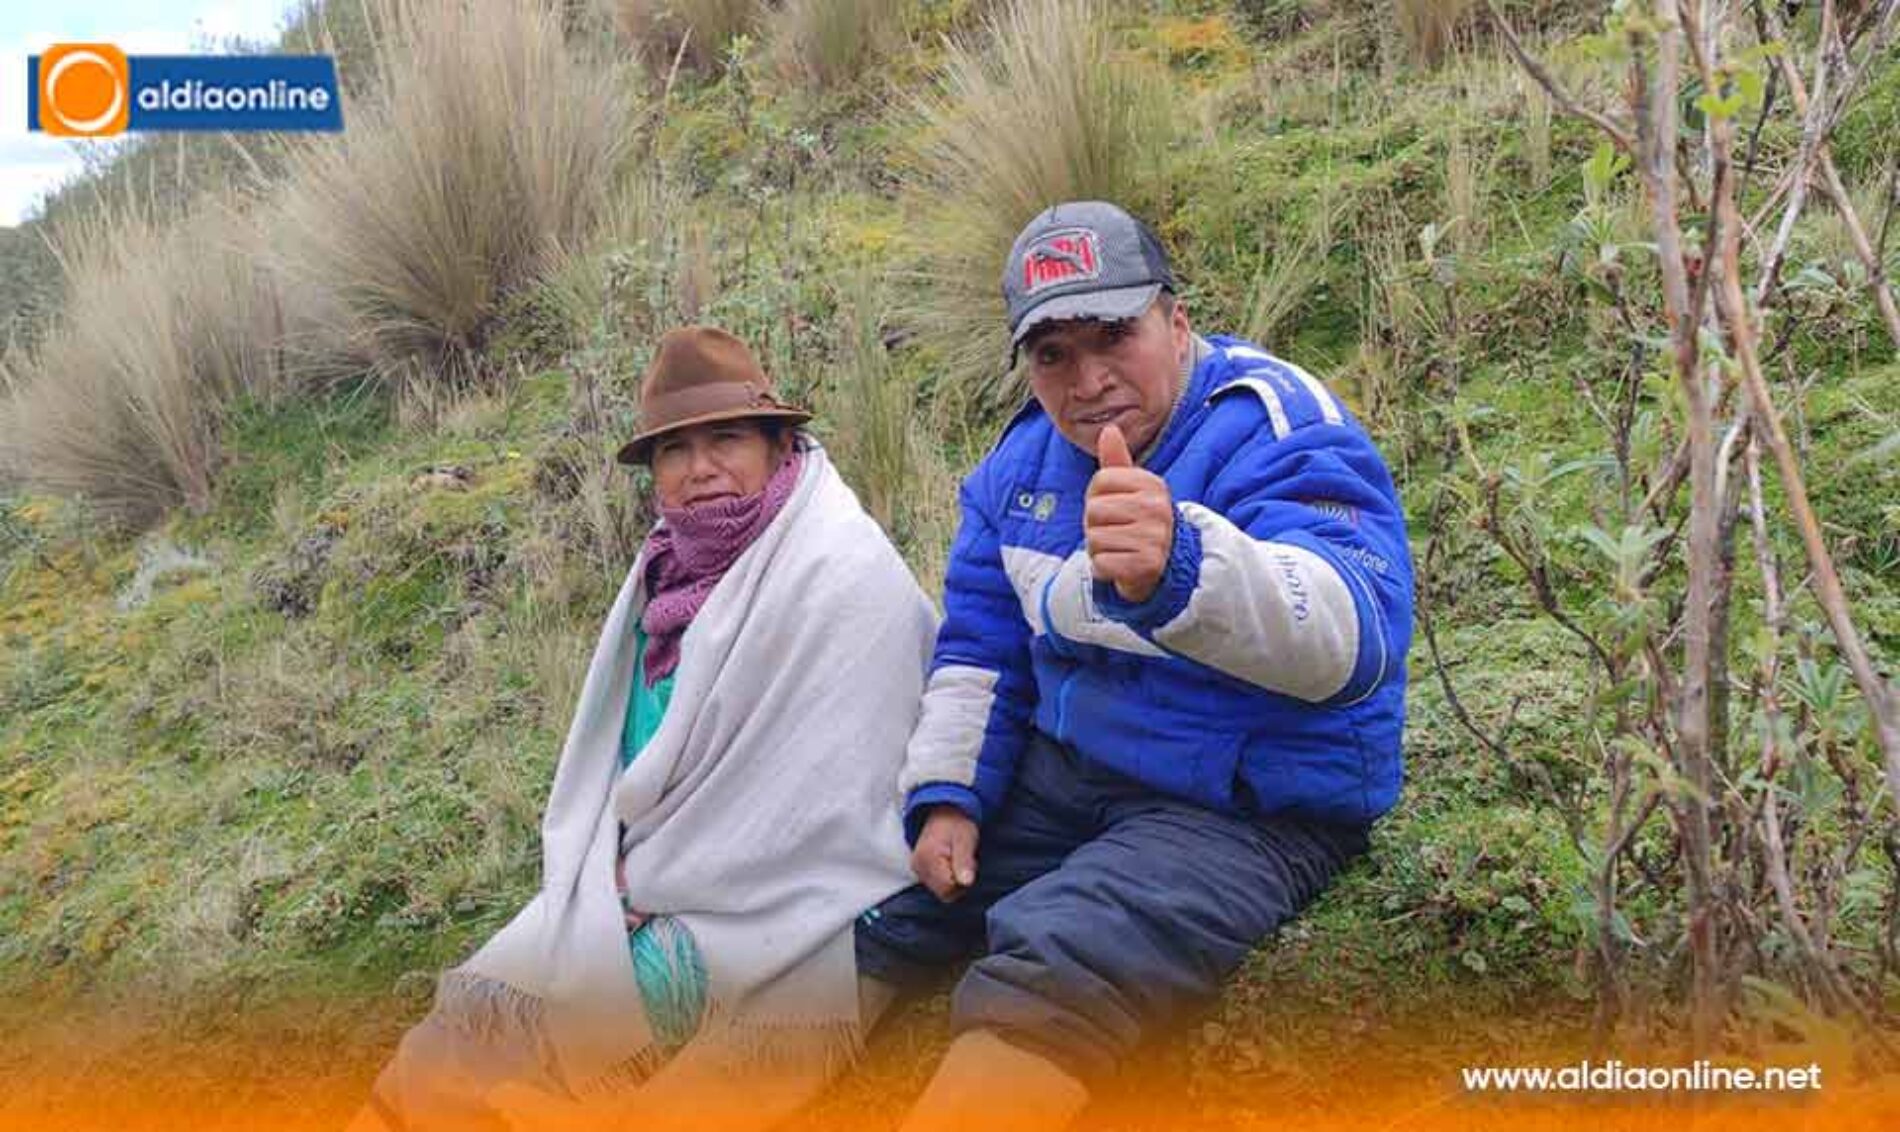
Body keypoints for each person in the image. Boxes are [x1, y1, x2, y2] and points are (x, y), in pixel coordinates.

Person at [854, 201, 1414, 1131]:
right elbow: (980, 651)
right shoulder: (1015, 472)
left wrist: (1182, 567)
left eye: (1113, 333)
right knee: (884, 894)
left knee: (1062, 950)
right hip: (1077, 774)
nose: (1089, 379)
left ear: (1177, 320)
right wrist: (949, 795)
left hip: (1251, 799)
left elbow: (1354, 638)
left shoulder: (1274, 422)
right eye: (1053, 355)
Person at [351, 325, 938, 1132]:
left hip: (787, 907)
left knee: (575, 1031)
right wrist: (620, 872)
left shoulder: (840, 573)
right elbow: (635, 765)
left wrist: (656, 879)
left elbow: (833, 805)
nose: (699, 470)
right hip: (646, 878)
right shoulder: (665, 575)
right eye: (674, 450)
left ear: (777, 444)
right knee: (472, 1014)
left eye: (726, 439)